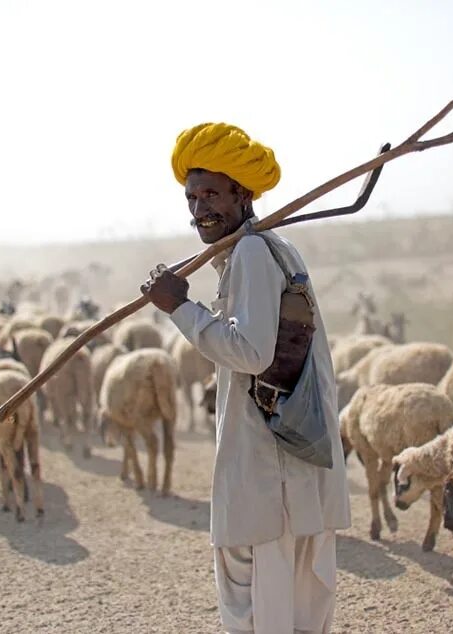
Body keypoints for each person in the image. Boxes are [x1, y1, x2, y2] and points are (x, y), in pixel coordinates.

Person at [140, 123, 350, 634]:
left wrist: (180, 308)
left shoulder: (254, 253)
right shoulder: (277, 250)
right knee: (300, 612)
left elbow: (251, 353)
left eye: (212, 193)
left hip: (267, 478)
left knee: (260, 613)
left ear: (243, 192)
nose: (199, 210)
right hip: (296, 474)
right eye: (192, 198)